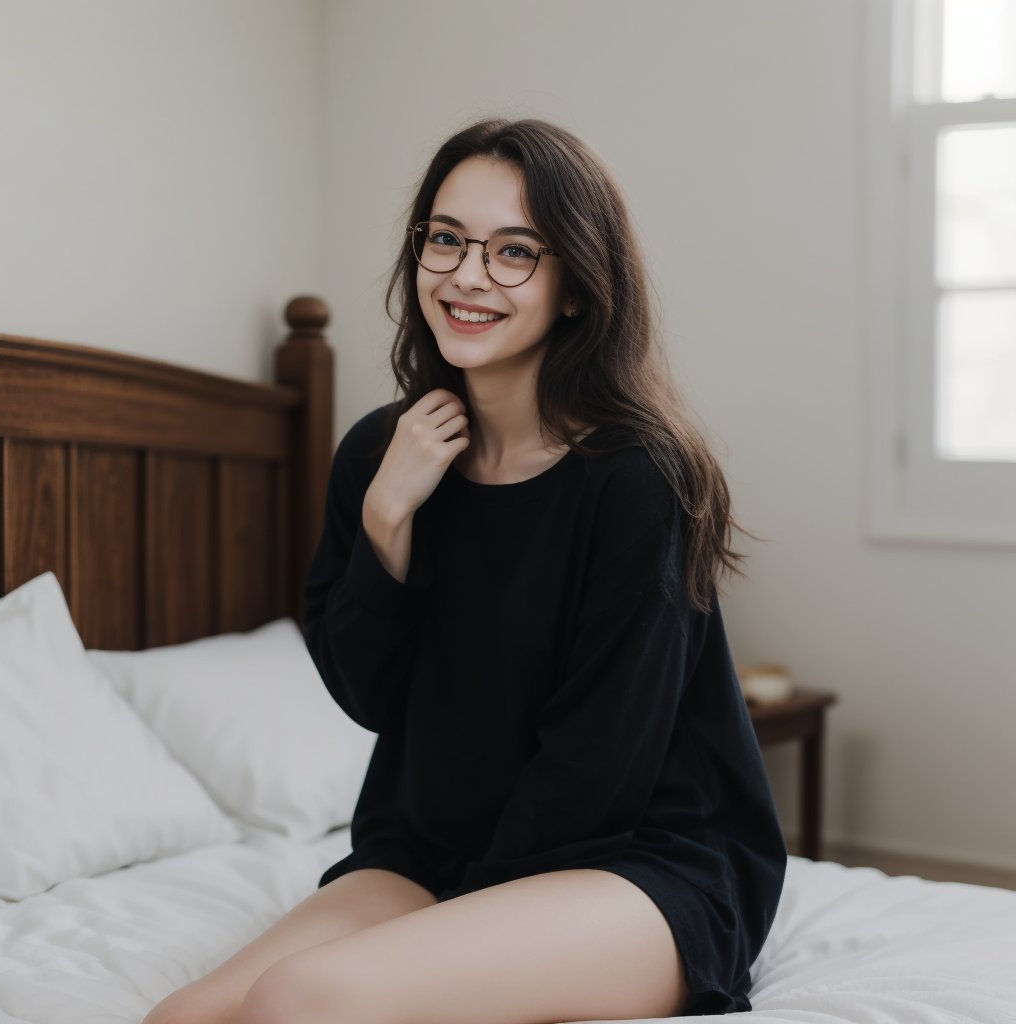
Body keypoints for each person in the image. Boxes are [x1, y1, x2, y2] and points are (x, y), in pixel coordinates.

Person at [144, 118, 786, 1024]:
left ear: (575, 287)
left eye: (516, 250)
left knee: (303, 1001)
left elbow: (596, 768)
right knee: (181, 1017)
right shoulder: (383, 453)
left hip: (638, 861)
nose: (468, 274)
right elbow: (370, 696)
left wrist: (453, 928)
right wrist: (385, 524)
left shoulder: (640, 478)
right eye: (445, 239)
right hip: (431, 846)